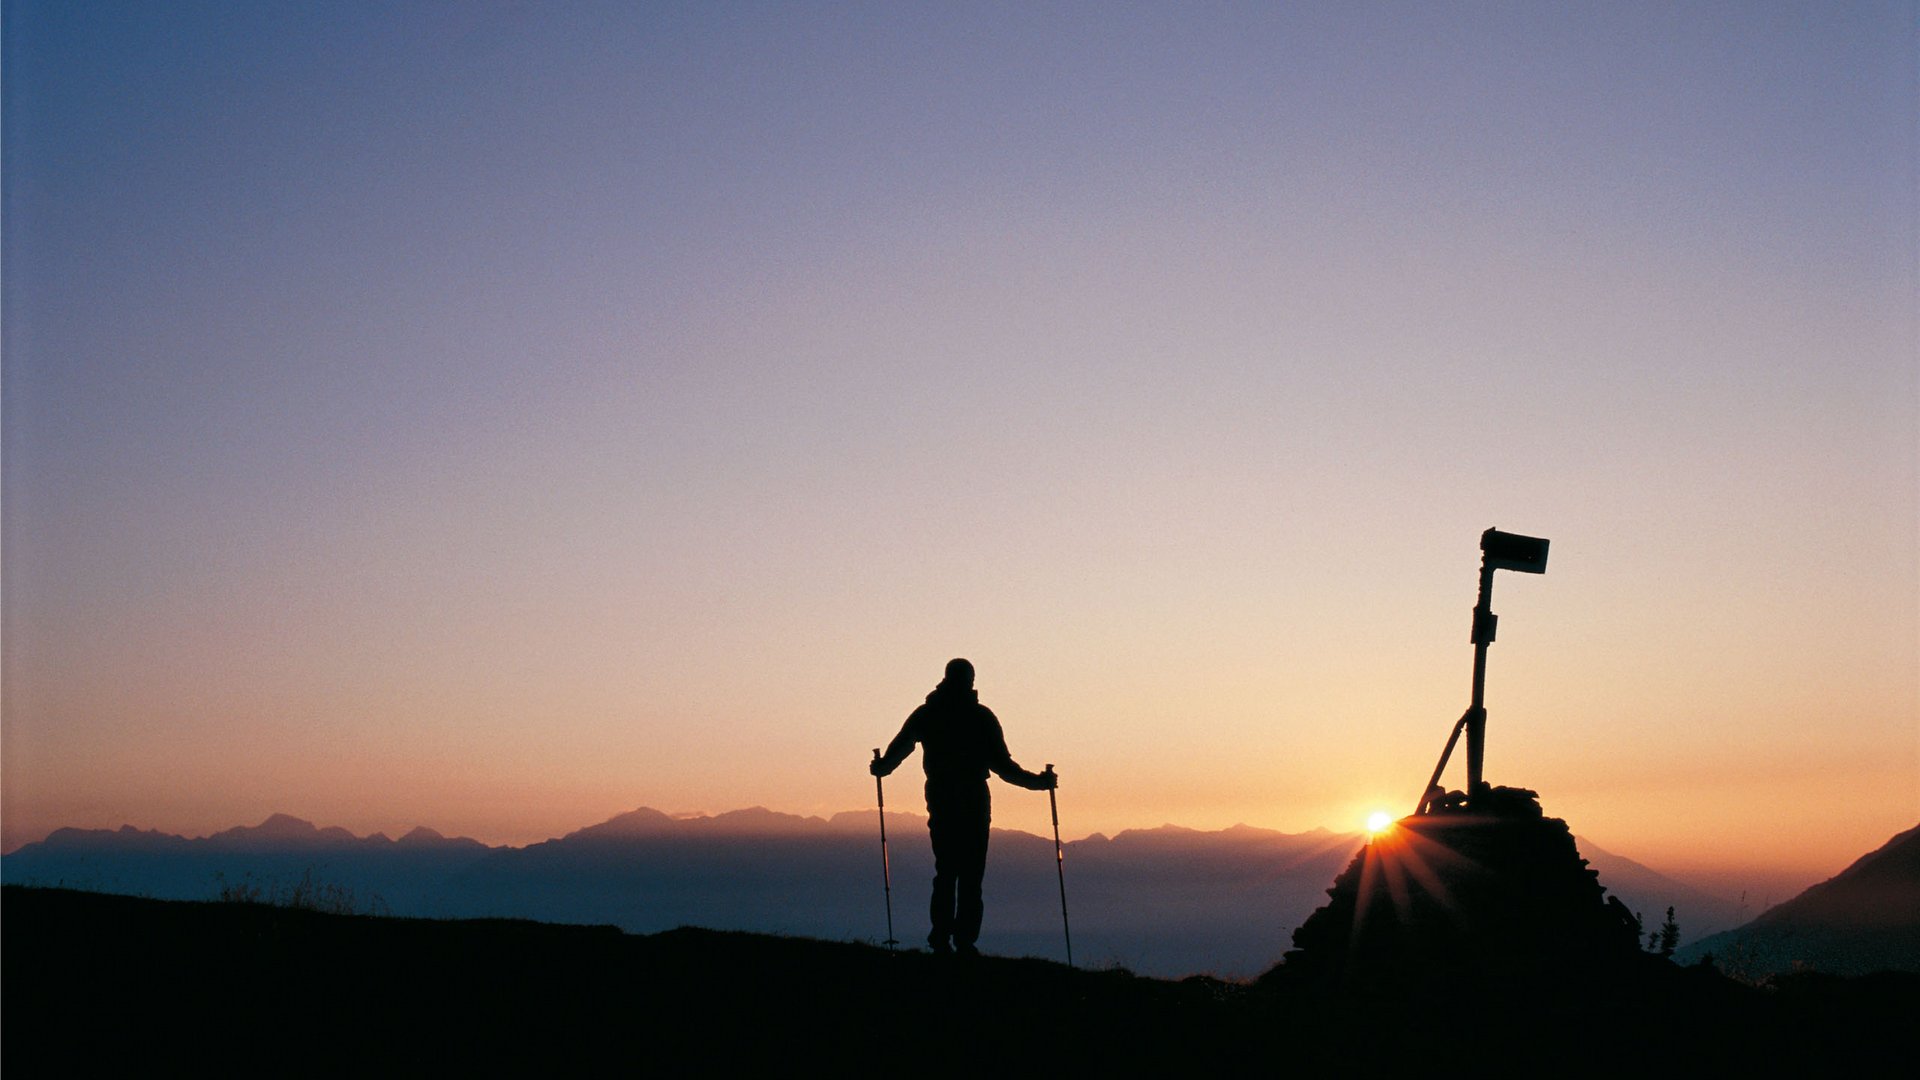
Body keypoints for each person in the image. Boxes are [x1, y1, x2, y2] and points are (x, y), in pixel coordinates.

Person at [870, 657, 1055, 956]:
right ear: (970, 680)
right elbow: (1003, 767)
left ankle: (941, 938)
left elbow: (899, 749)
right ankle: (964, 941)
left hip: (941, 796)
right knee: (971, 873)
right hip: (973, 799)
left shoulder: (928, 714)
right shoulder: (981, 717)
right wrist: (1039, 783)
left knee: (947, 869)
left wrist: (882, 767)